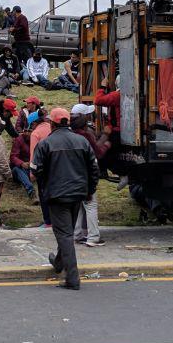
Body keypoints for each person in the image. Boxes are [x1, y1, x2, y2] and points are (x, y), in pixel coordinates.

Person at [33, 107, 99, 290]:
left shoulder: (46, 144)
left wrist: (45, 186)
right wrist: (90, 189)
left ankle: (72, 277)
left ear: (52, 124)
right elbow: (94, 169)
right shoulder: (82, 141)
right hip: (78, 193)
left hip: (57, 195)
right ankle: (59, 262)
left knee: (64, 234)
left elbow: (35, 169)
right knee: (66, 232)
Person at [69, 105, 104, 246]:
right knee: (91, 206)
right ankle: (93, 237)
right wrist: (106, 141)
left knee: (79, 206)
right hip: (85, 177)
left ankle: (77, 234)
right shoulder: (86, 137)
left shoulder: (69, 137)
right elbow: (96, 156)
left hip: (73, 177)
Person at [10, 129, 40, 214]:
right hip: (20, 168)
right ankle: (32, 193)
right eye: (26, 131)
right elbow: (13, 157)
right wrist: (21, 163)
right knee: (16, 170)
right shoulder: (19, 140)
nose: (27, 133)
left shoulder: (36, 140)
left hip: (32, 167)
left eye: (30, 131)